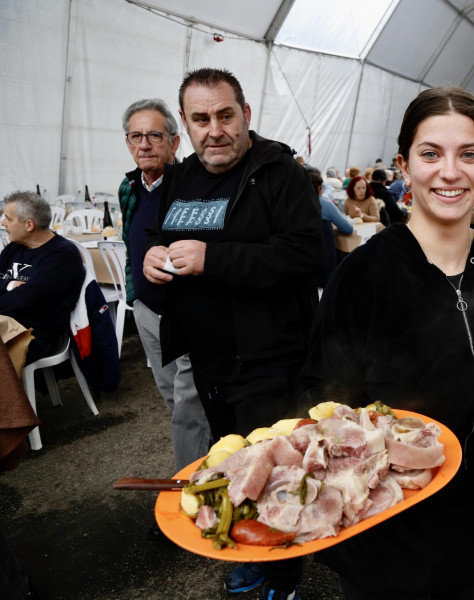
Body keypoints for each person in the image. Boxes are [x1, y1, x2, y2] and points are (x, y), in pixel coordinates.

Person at [301, 86, 474, 600]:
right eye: (431, 153)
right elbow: (322, 404)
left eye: (468, 155)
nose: (450, 172)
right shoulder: (364, 275)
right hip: (383, 535)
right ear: (405, 166)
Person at [142, 67, 321, 600]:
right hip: (209, 361)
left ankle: (283, 578)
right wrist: (152, 255)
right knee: (231, 467)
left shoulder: (279, 172)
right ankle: (253, 552)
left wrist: (213, 259)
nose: (214, 130)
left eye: (225, 115)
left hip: (270, 362)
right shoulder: (181, 176)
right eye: (201, 119)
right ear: (186, 126)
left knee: (276, 474)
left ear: (246, 115)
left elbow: (304, 253)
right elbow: (160, 233)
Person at [118, 98, 210, 472]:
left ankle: (189, 492)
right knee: (174, 399)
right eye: (135, 136)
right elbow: (130, 242)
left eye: (154, 135)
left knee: (189, 407)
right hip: (147, 311)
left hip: (185, 313)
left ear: (174, 142)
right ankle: (211, 460)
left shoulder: (192, 186)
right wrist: (135, 294)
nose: (144, 144)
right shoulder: (129, 188)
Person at [0, 192, 84, 365]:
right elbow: (18, 295)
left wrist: (13, 290)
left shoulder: (62, 255)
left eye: (8, 218)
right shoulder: (14, 247)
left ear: (29, 225)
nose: (3, 223)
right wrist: (10, 285)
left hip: (31, 335)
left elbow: (26, 299)